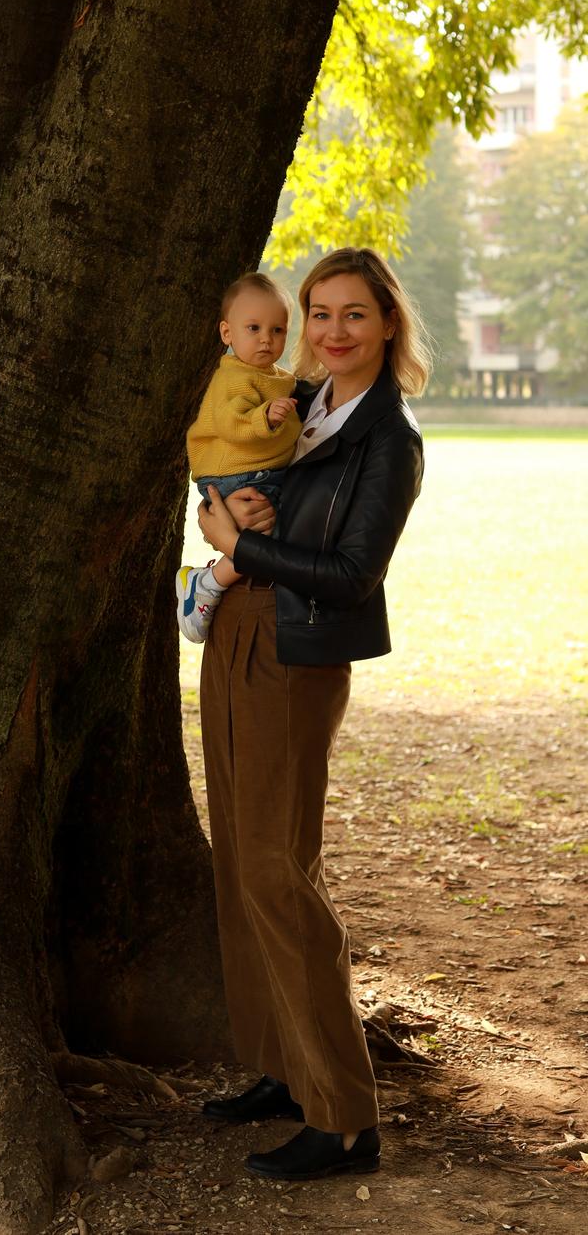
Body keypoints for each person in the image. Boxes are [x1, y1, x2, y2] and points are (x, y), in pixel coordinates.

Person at [195, 246, 429, 1183]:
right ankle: (283, 1069)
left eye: (354, 316)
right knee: (238, 860)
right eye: (318, 313)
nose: (332, 331)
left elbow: (350, 575)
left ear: (387, 326)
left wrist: (242, 548)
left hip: (297, 654)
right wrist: (232, 526)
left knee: (276, 868)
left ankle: (343, 1115)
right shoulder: (297, 399)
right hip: (237, 636)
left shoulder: (388, 438)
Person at [176, 272, 302, 643]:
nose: (267, 339)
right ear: (227, 333)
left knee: (280, 538)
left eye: (278, 330)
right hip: (235, 474)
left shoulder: (277, 377)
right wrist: (265, 418)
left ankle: (211, 581)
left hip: (260, 471)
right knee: (275, 540)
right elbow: (232, 423)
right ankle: (206, 584)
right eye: (254, 328)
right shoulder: (232, 377)